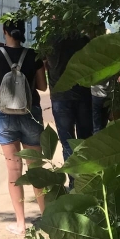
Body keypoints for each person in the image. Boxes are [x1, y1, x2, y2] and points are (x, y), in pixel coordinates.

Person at [0, 19, 47, 235]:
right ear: (23, 32)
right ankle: (47, 220)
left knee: (14, 170)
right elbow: (42, 86)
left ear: (5, 31)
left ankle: (20, 224)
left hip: (4, 115)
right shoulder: (33, 55)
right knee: (36, 170)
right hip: (30, 113)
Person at [46, 30, 93, 161]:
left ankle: (73, 181)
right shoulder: (84, 40)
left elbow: (45, 65)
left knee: (67, 143)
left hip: (60, 98)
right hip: (83, 95)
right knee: (85, 142)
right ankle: (86, 178)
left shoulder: (49, 41)